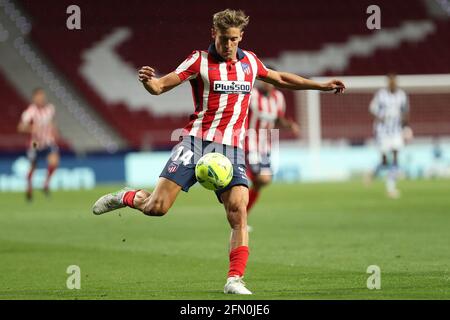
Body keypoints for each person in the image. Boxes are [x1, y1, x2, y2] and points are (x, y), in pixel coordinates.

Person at [92, 9, 345, 294]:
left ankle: (234, 279)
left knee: (238, 211)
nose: (228, 45)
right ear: (214, 34)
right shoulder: (198, 60)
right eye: (224, 39)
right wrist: (148, 82)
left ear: (241, 37)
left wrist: (320, 86)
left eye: (234, 39)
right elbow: (161, 86)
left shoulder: (250, 62)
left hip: (232, 149)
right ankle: (126, 196)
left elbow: (281, 78)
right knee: (157, 208)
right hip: (195, 142)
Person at [246, 76, 300, 218]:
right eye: (264, 80)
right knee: (257, 178)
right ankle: (238, 209)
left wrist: (290, 125)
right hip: (249, 142)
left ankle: (242, 213)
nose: (267, 84)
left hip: (265, 145)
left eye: (270, 81)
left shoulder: (278, 97)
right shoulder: (252, 95)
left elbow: (278, 119)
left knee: (263, 180)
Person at [369, 74, 411, 198]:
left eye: (394, 82)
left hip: (396, 131)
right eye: (390, 82)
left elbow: (405, 112)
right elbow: (372, 108)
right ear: (388, 83)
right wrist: (379, 118)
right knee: (384, 161)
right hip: (382, 132)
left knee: (395, 157)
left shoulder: (402, 95)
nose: (392, 84)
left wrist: (406, 127)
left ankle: (391, 187)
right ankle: (372, 173)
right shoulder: (381, 95)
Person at [17, 88, 60, 201]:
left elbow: (51, 122)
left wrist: (54, 131)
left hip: (48, 141)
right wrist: (32, 128)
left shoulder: (50, 109)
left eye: (42, 96)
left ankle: (45, 184)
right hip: (35, 143)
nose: (41, 99)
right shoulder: (30, 111)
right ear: (34, 98)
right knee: (33, 166)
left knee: (54, 161)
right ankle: (29, 188)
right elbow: (21, 127)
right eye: (39, 97)